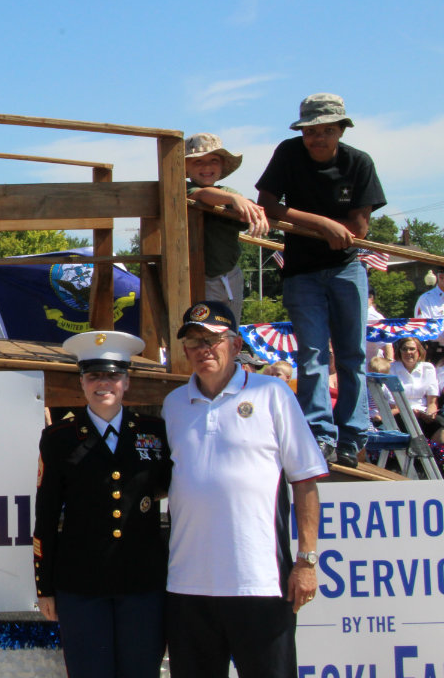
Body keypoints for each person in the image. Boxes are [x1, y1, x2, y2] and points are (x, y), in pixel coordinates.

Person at [162, 301, 327, 677]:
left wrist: (306, 561)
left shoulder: (273, 393)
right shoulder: (173, 405)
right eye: (194, 341)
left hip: (259, 580)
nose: (204, 349)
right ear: (185, 350)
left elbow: (305, 479)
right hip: (188, 583)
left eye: (213, 340)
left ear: (236, 345)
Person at [257, 93, 387, 468]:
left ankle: (353, 435)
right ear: (302, 132)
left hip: (347, 268)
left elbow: (358, 228)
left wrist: (318, 224)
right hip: (301, 270)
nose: (318, 138)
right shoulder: (288, 153)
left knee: (352, 355)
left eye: (327, 130)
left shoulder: (358, 162)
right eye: (311, 131)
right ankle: (319, 434)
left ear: (341, 131)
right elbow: (268, 204)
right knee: (311, 355)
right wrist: (324, 223)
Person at [33, 330, 169, 678]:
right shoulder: (59, 438)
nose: (103, 383)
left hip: (143, 584)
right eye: (93, 375)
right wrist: (45, 587)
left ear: (126, 382)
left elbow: (173, 491)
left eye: (112, 375)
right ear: (81, 382)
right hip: (81, 585)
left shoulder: (154, 432)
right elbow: (46, 515)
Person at [185, 133, 269, 322]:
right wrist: (234, 200)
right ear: (186, 167)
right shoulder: (184, 190)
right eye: (198, 162)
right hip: (197, 278)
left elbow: (246, 205)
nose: (207, 167)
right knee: (202, 329)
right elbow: (202, 195)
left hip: (230, 275)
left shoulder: (229, 194)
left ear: (222, 165)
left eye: (213, 160)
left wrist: (257, 213)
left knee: (229, 330)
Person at [390, 337, 440, 442]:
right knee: (412, 423)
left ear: (419, 351)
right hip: (399, 414)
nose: (408, 352)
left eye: (412, 349)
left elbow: (432, 402)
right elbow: (391, 403)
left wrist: (430, 414)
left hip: (422, 413)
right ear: (399, 351)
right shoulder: (392, 368)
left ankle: (436, 456)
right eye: (404, 349)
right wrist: (409, 411)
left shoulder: (428, 368)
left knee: (440, 426)